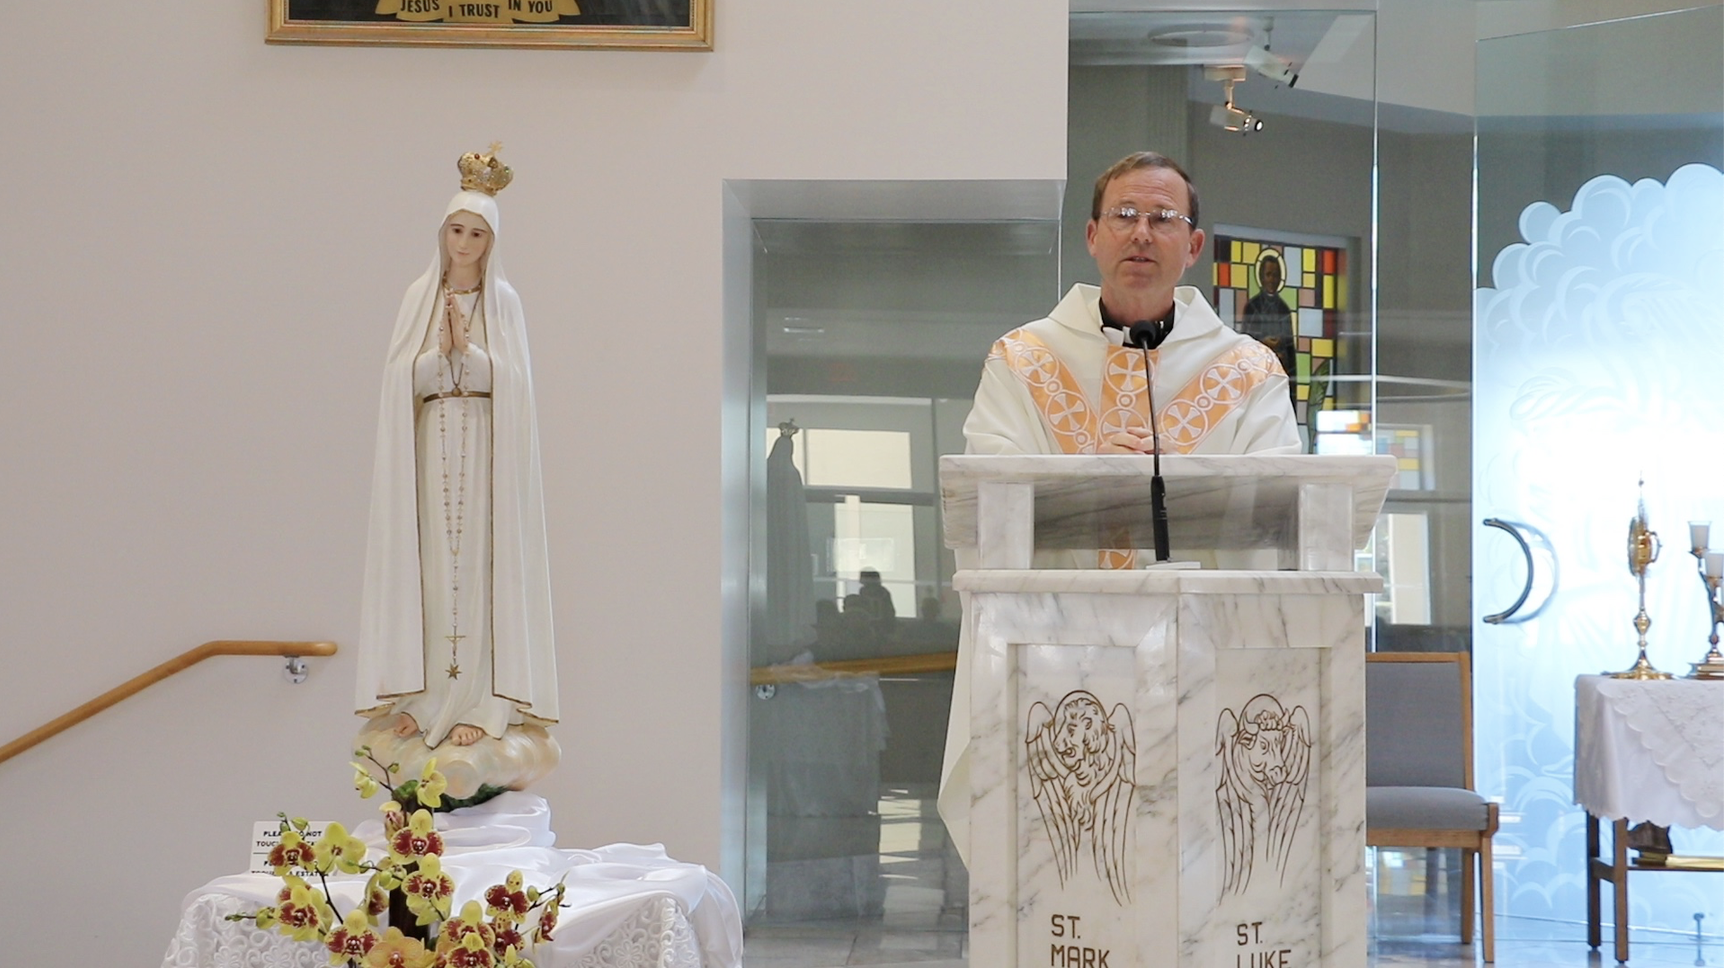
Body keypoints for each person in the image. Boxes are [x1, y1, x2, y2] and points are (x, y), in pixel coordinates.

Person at [938, 151, 1300, 863]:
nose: (1142, 233)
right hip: (1054, 659)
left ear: (1193, 246)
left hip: (1204, 661)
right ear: (1092, 236)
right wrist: (1083, 467)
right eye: (1124, 216)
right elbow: (985, 499)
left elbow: (1279, 509)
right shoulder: (1023, 361)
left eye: (1163, 218)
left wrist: (1174, 477)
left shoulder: (1249, 372)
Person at [355, 147, 558, 754]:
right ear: (442, 233)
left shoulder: (506, 303)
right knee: (431, 567)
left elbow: (516, 385)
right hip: (430, 449)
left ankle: (481, 700)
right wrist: (434, 358)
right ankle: (425, 697)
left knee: (481, 568)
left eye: (477, 233)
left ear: (492, 241)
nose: (464, 244)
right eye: (456, 230)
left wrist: (468, 352)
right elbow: (398, 381)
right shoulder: (418, 296)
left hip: (485, 455)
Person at [1238, 251, 1297, 383]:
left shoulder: (1284, 309)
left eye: (1275, 275)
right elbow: (1245, 345)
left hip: (1278, 375)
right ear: (1261, 277)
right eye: (1268, 275)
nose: (1272, 280)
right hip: (1256, 375)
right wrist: (1264, 343)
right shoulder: (1252, 307)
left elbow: (1290, 350)